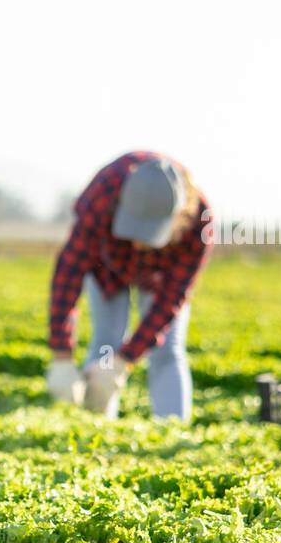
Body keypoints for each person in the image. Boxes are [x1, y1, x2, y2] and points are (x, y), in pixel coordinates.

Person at [45, 151, 211, 421]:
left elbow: (171, 299)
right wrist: (61, 354)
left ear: (178, 220)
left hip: (160, 277)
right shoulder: (101, 196)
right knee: (106, 341)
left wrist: (125, 361)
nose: (138, 244)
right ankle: (97, 427)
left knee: (167, 350)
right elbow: (69, 272)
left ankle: (172, 427)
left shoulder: (199, 223)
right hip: (108, 269)